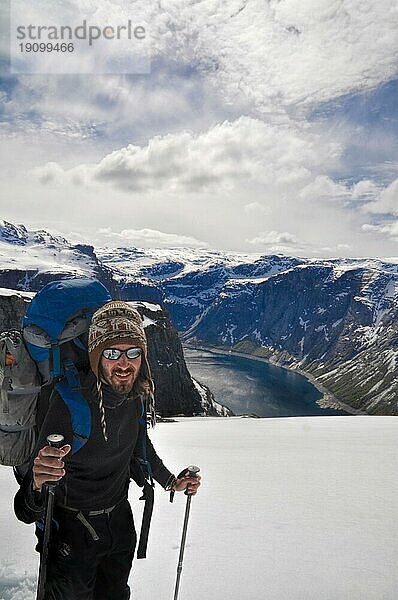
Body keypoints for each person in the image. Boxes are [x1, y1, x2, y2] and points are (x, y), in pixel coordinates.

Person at [14, 300, 201, 600]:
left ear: (143, 357)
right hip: (71, 540)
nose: (124, 364)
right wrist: (37, 480)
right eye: (112, 353)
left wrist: (171, 481)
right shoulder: (68, 404)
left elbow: (140, 449)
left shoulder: (136, 397)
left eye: (133, 352)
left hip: (120, 529)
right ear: (96, 356)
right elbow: (24, 508)